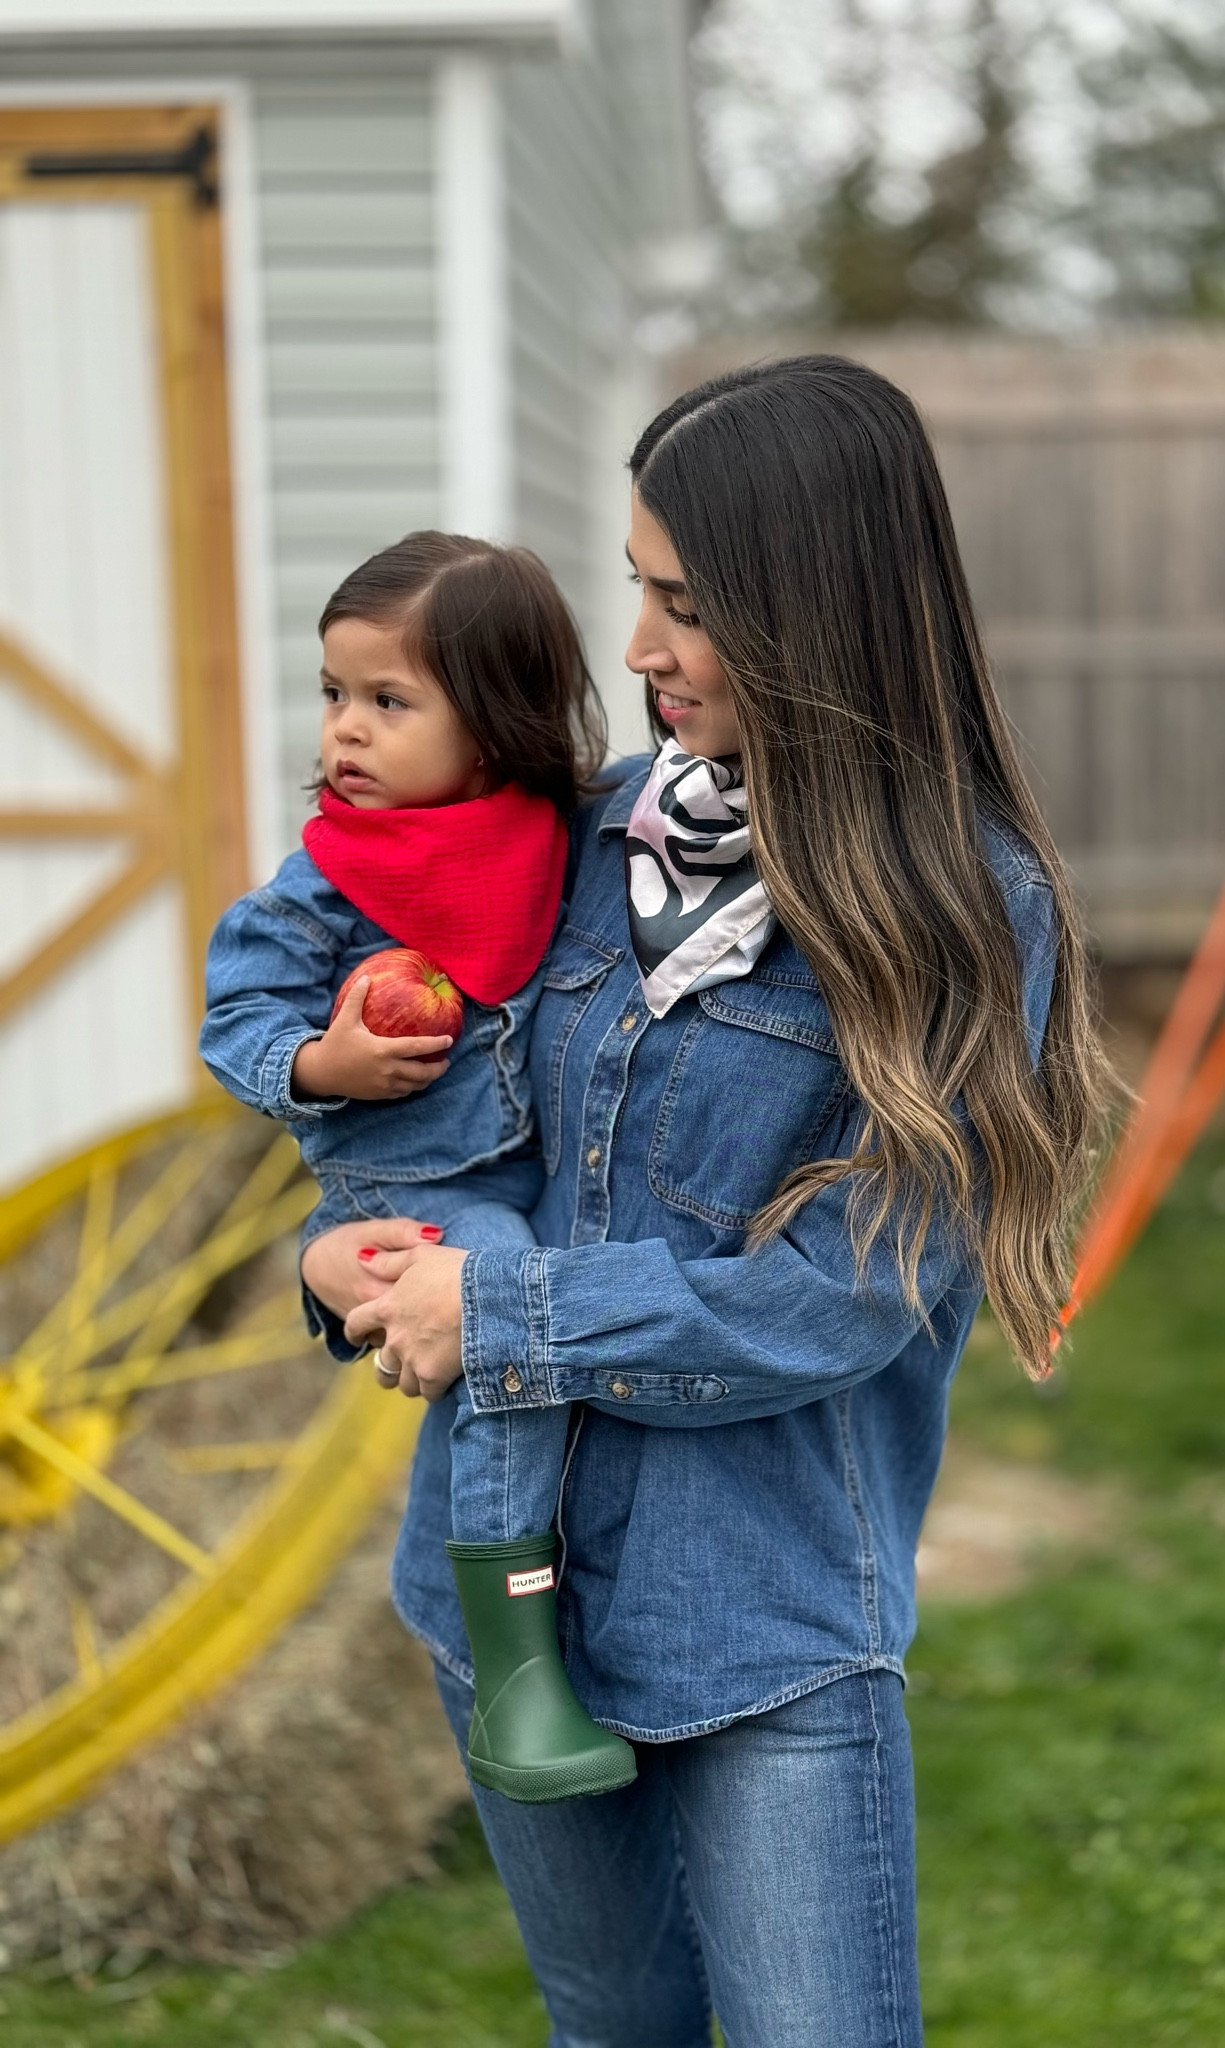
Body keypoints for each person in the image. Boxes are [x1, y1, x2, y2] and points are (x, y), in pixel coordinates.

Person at [303, 356, 1105, 2048]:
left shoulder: (964, 902)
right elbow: (457, 1138)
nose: (643, 650)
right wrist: (345, 1258)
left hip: (764, 1626)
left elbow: (844, 1292)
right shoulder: (571, 842)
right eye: (638, 592)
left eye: (685, 603)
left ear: (812, 613)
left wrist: (505, 1310)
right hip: (504, 1588)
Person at [200, 532, 636, 1803]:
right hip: (414, 1188)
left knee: (531, 1287)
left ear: (496, 725)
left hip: (527, 1171)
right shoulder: (328, 877)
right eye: (335, 694)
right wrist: (323, 1063)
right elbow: (236, 1019)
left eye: (390, 701)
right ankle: (513, 1665)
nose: (346, 730)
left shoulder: (549, 838)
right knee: (499, 1296)